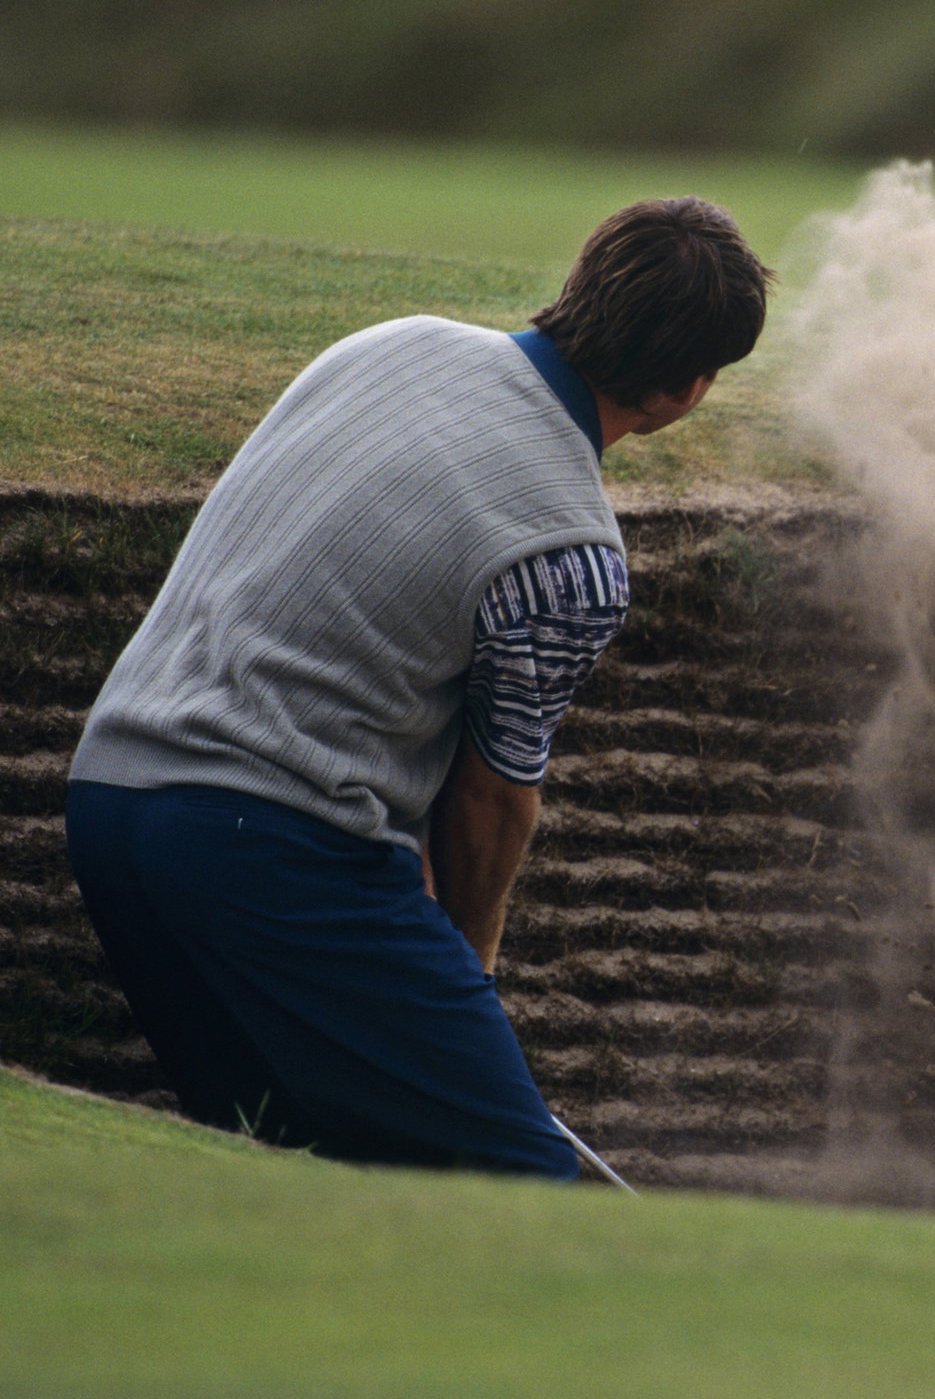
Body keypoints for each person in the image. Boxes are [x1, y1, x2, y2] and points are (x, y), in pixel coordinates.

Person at [66, 197, 771, 1179]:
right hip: (271, 845)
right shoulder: (571, 552)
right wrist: (461, 987)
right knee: (520, 1181)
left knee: (283, 1157)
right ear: (689, 388)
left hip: (108, 805)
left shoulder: (390, 343)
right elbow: (489, 806)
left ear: (585, 283)